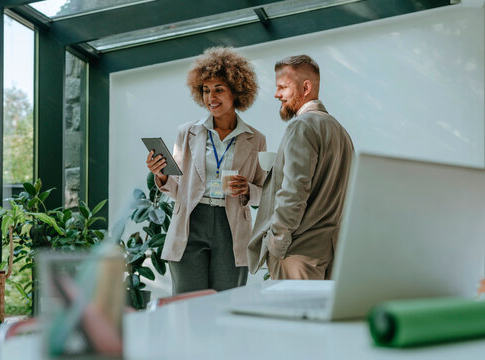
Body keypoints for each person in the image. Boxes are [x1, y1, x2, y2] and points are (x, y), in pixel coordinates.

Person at [146, 47, 267, 294]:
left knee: (226, 302)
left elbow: (265, 193)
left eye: (219, 89)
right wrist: (160, 174)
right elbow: (176, 188)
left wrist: (247, 189)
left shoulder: (255, 139)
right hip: (191, 221)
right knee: (188, 303)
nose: (211, 97)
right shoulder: (187, 132)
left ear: (236, 91)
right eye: (205, 90)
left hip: (230, 225)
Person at [247, 55, 354, 280]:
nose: (277, 95)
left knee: (291, 316)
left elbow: (294, 191)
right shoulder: (341, 132)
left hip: (297, 255)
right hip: (330, 254)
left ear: (306, 87)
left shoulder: (301, 126)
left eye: (283, 87)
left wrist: (277, 243)